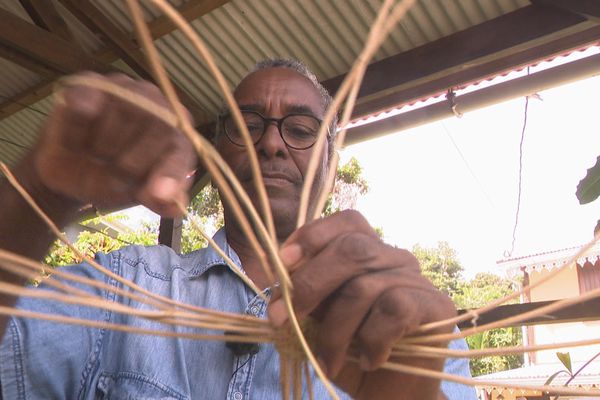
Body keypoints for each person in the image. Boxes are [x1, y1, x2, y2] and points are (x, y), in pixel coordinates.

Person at [0, 59, 477, 399]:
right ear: (216, 152)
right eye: (248, 123)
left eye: (302, 129)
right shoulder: (124, 288)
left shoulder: (401, 323)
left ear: (332, 163)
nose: (270, 142)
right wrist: (39, 189)